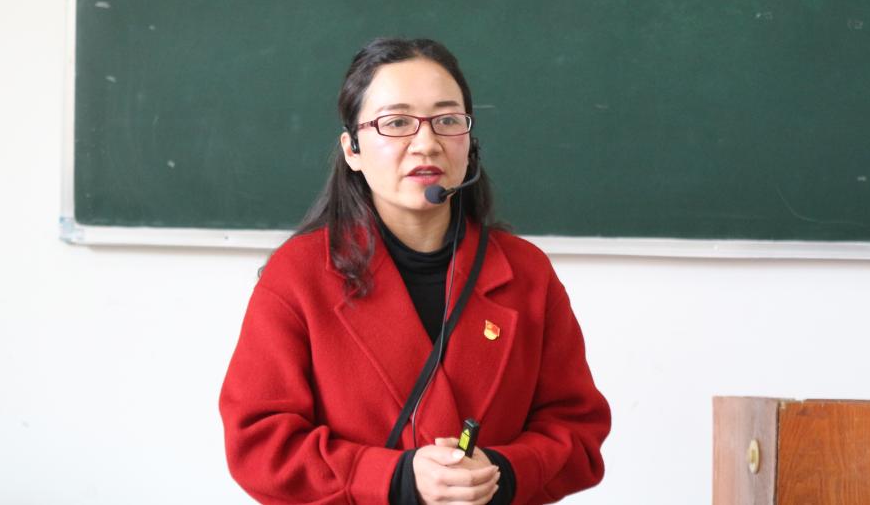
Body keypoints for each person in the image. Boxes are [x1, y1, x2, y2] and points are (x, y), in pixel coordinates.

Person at [220, 38, 610, 504]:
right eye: (396, 123)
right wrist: (397, 478)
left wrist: (502, 473)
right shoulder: (299, 275)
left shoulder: (526, 272)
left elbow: (577, 431)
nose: (426, 143)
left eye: (447, 120)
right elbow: (259, 445)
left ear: (470, 141)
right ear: (352, 149)